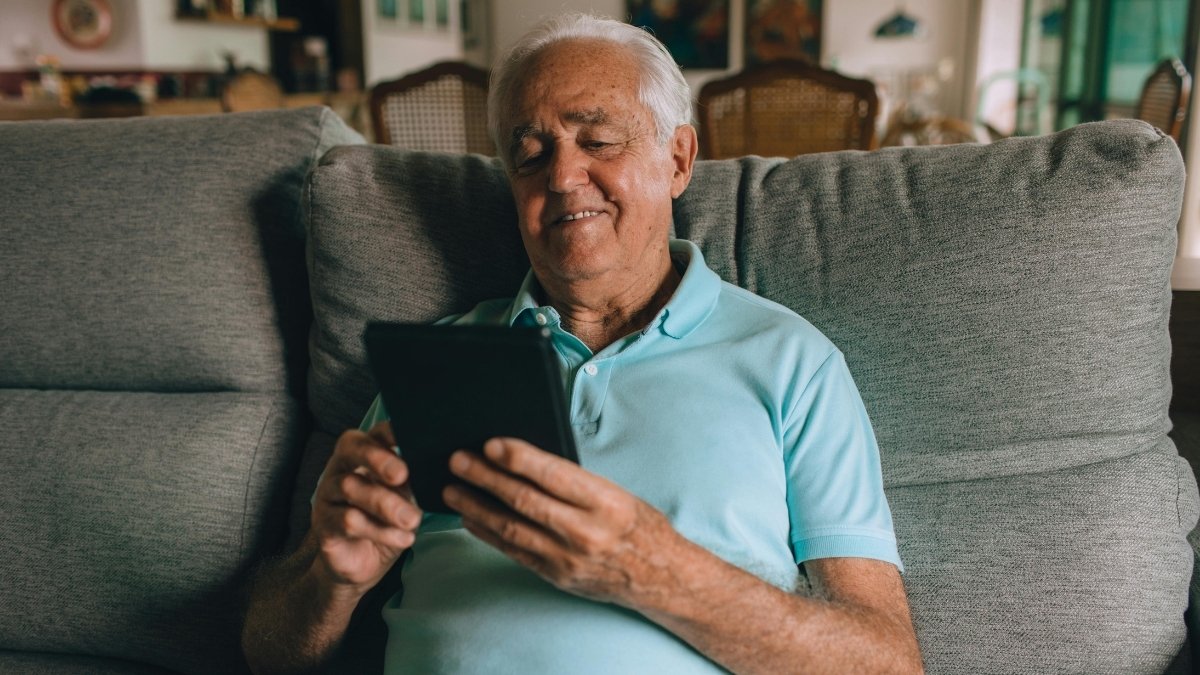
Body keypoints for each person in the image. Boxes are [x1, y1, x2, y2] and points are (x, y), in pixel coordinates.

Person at [242, 13, 922, 674]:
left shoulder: (790, 360)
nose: (562, 178)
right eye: (531, 154)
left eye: (597, 141)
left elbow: (887, 662)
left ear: (678, 159)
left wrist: (651, 570)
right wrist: (329, 577)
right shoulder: (438, 362)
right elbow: (268, 650)